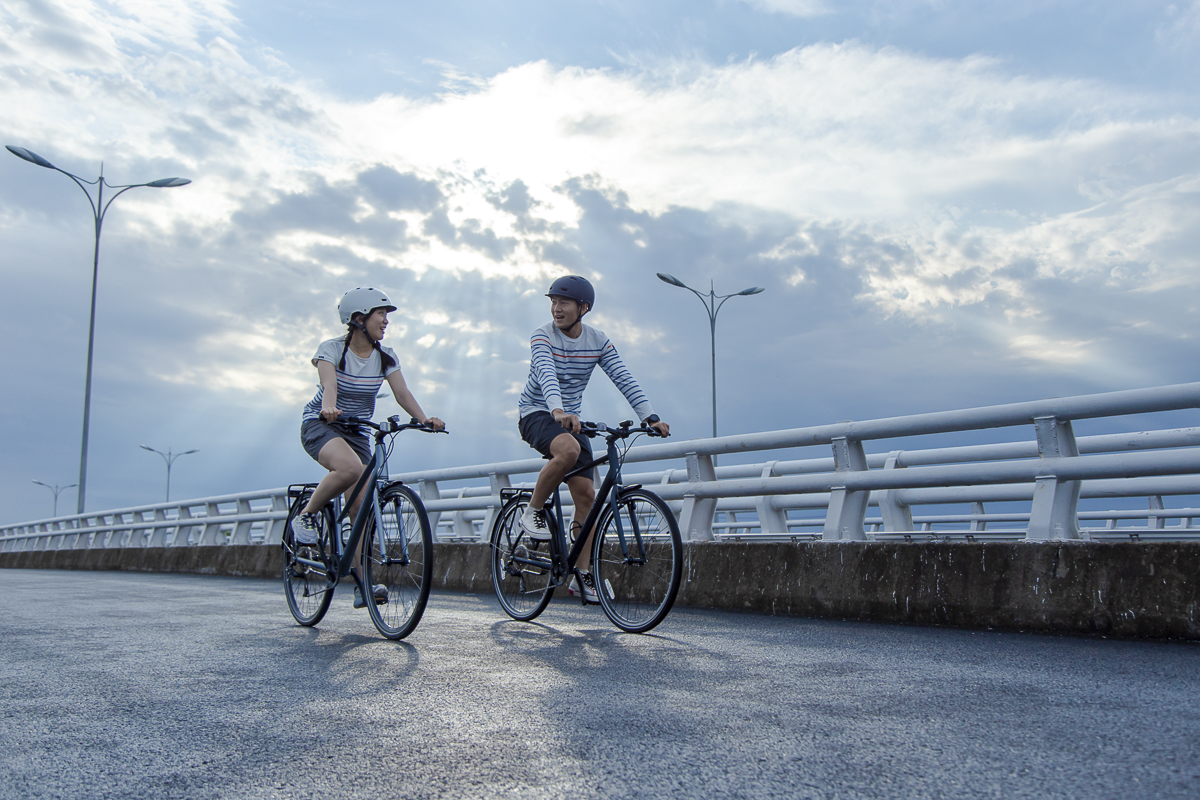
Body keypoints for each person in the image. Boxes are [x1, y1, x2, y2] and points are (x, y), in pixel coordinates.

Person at [516, 275, 670, 602]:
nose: (556, 309)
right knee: (568, 450)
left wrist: (650, 416)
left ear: (583, 308)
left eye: (564, 303)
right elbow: (546, 374)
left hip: (571, 419)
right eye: (553, 302)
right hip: (537, 412)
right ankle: (532, 511)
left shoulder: (597, 341)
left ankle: (582, 574)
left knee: (587, 495)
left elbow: (623, 376)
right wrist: (557, 410)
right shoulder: (542, 336)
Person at [292, 287, 445, 609]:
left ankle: (362, 584)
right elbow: (329, 384)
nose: (386, 321)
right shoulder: (332, 349)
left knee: (361, 505)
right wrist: (329, 407)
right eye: (381, 314)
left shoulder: (386, 356)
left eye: (387, 316)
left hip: (357, 431)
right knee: (349, 469)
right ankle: (306, 516)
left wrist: (423, 419)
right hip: (322, 424)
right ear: (359, 319)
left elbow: (402, 392)